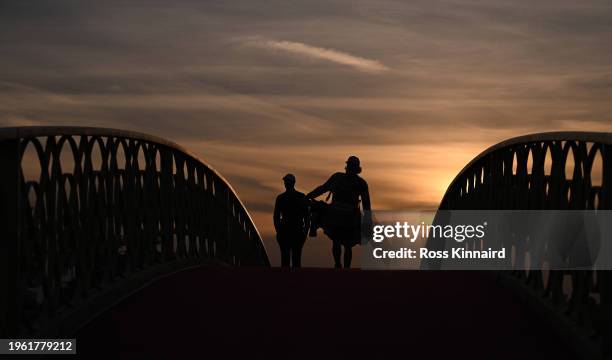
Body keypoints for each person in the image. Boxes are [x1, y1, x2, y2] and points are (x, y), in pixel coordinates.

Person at [307, 156, 371, 268]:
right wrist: (310, 195)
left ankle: (342, 267)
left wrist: (367, 220)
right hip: (339, 214)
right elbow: (323, 188)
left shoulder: (356, 182)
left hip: (347, 216)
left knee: (345, 243)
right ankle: (339, 265)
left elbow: (366, 204)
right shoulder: (344, 179)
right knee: (341, 242)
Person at [273, 174, 309, 268]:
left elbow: (307, 217)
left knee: (291, 261)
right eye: (286, 181)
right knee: (290, 261)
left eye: (287, 181)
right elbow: (276, 217)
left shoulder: (282, 198)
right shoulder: (299, 197)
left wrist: (305, 232)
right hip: (289, 231)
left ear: (292, 183)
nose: (286, 183)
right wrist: (279, 231)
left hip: (293, 231)